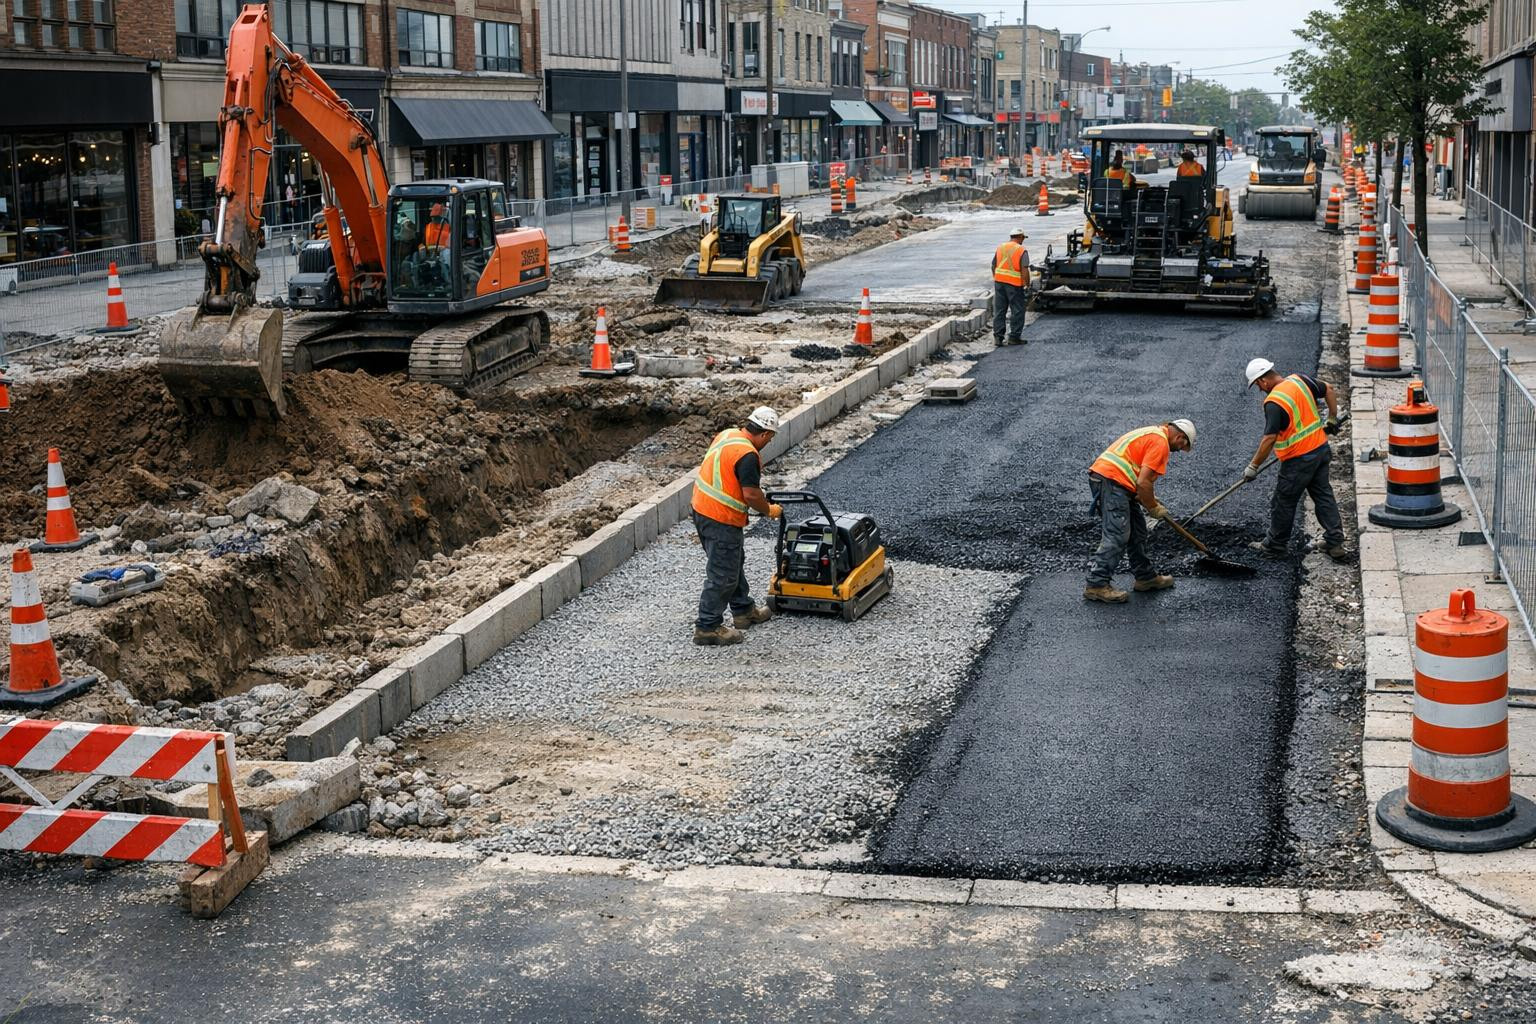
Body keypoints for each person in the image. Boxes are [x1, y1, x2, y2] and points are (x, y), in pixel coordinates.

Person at [691, 406, 783, 646]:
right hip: (720, 518)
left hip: (702, 509)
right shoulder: (748, 455)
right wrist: (769, 510)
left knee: (733, 562)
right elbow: (752, 495)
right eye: (770, 438)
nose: (769, 443)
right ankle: (707, 627)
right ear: (764, 434)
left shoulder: (728, 435)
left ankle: (743, 611)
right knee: (722, 574)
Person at [1241, 358, 1347, 561]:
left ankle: (1275, 545)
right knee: (1323, 494)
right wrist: (1332, 419)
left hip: (1299, 459)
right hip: (1321, 450)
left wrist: (1253, 466)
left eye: (1257, 385)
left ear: (1263, 381)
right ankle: (1335, 542)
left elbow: (1269, 438)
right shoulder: (1299, 380)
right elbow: (1330, 389)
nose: (1260, 390)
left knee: (1283, 500)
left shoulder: (1274, 402)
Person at [1085, 419, 1196, 604]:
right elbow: (1144, 482)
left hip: (1117, 483)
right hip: (1112, 482)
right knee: (1118, 534)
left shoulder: (1153, 434)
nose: (1179, 449)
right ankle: (1096, 585)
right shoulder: (1160, 442)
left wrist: (1148, 499)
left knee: (1138, 532)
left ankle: (1145, 577)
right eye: (1182, 445)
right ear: (1180, 437)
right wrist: (1152, 507)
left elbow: (1138, 478)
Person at [991, 227, 1030, 346]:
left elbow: (993, 265)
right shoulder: (1021, 250)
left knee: (1000, 310)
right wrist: (1026, 284)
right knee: (1018, 310)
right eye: (1023, 238)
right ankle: (1014, 337)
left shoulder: (1000, 247)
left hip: (999, 283)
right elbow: (1024, 270)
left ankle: (998, 338)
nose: (1023, 240)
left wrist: (997, 278)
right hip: (1014, 285)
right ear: (1020, 237)